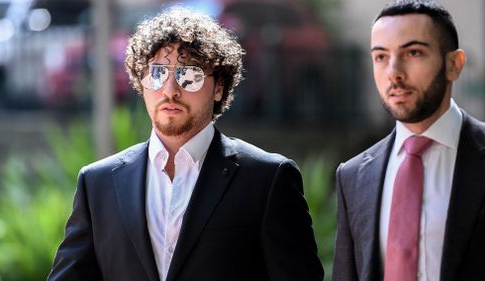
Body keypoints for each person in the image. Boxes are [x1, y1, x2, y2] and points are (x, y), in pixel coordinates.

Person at [47, 7, 324, 281]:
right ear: (141, 82)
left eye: (189, 75)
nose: (170, 90)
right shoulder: (98, 183)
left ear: (218, 87)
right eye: (157, 73)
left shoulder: (268, 179)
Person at [332, 1, 485, 281]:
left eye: (413, 52)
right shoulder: (353, 175)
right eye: (381, 56)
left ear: (454, 64)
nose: (394, 72)